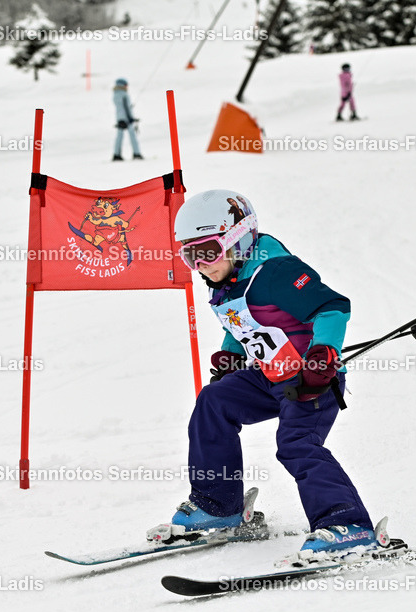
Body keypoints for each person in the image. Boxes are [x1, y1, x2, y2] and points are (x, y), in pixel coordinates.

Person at [158, 189, 376, 563]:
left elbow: (333, 307)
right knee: (214, 402)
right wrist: (231, 354)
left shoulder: (274, 272)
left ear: (237, 238)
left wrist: (322, 355)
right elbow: (242, 321)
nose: (201, 265)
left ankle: (348, 526)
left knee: (296, 442)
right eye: (190, 255)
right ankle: (218, 505)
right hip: (270, 375)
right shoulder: (227, 280)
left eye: (208, 251)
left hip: (311, 380)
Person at [112, 78, 142, 161]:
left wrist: (120, 119)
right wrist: (131, 118)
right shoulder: (124, 94)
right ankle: (137, 153)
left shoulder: (115, 94)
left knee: (119, 137)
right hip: (127, 119)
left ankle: (116, 154)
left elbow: (120, 108)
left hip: (119, 119)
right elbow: (126, 108)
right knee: (133, 136)